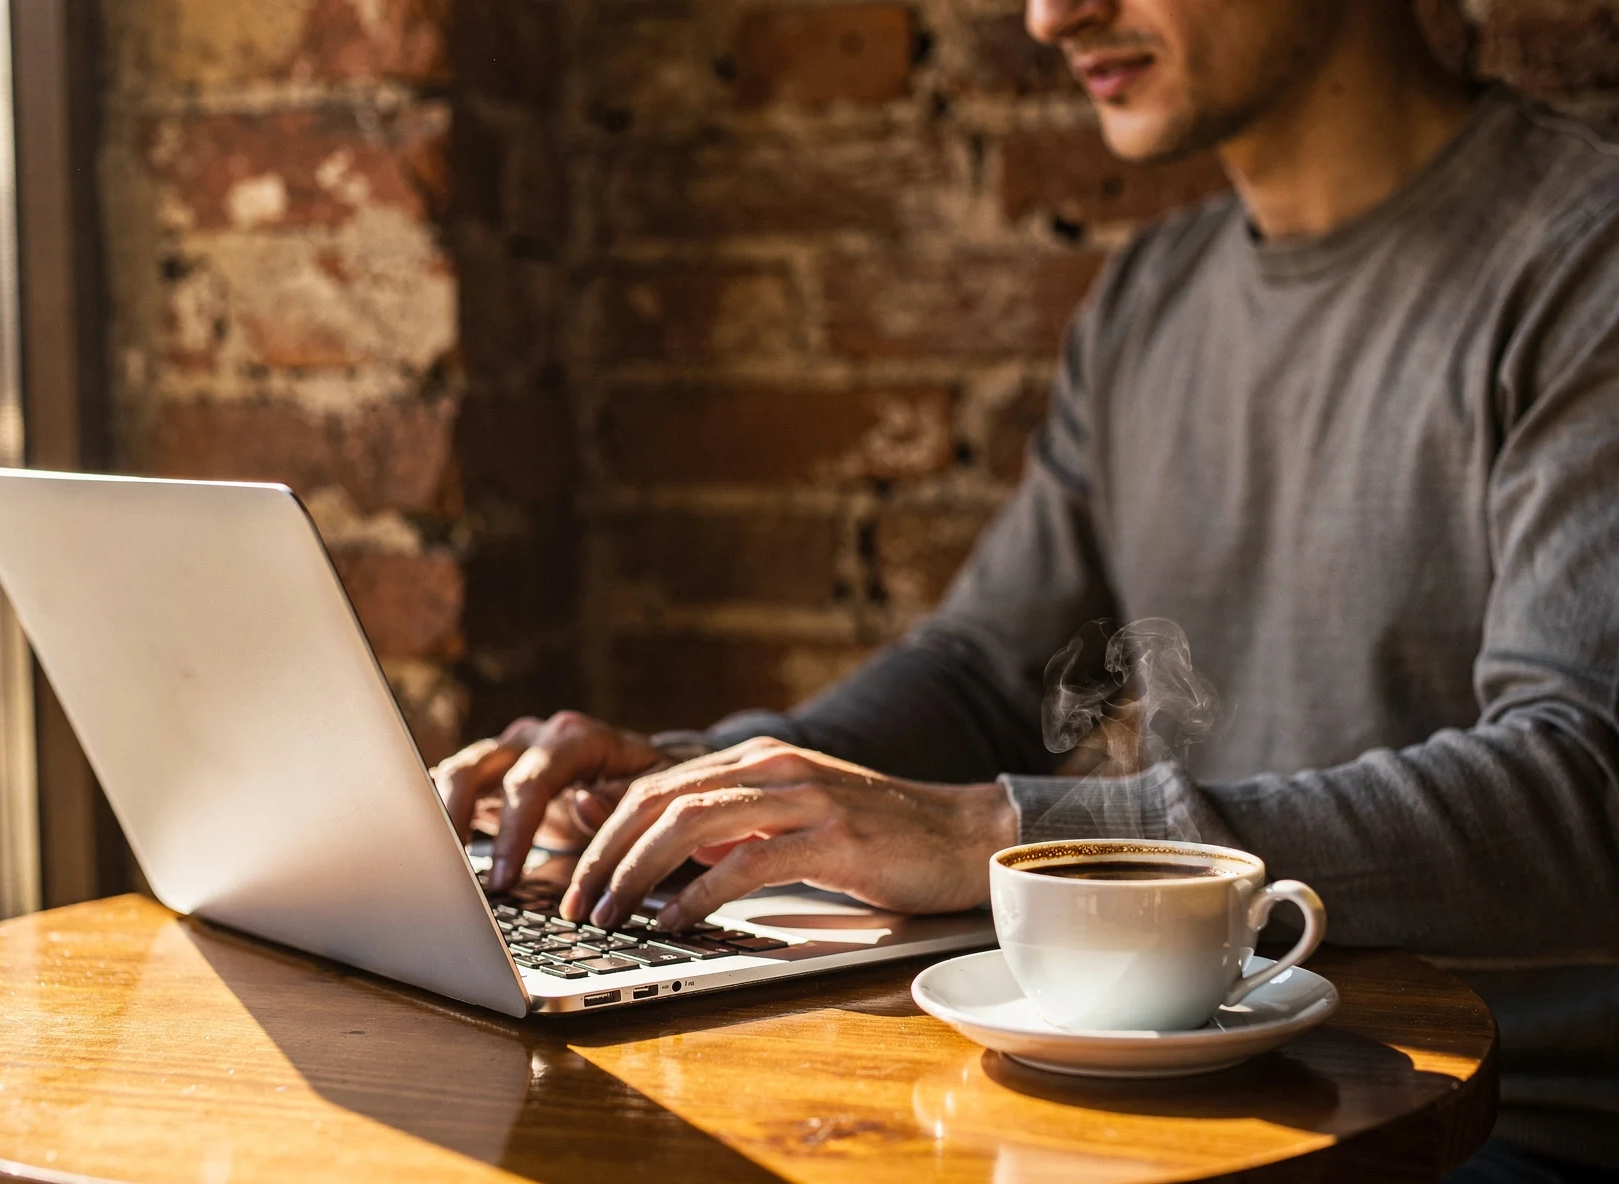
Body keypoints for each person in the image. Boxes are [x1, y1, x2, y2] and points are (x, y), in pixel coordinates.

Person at [435, 0, 1619, 1175]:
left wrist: (1002, 831)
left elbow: (1584, 782)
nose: (1054, 18)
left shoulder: (1582, 255)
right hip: (1177, 1079)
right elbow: (978, 670)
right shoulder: (1151, 297)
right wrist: (706, 784)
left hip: (1493, 1122)